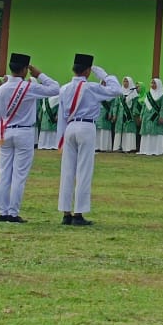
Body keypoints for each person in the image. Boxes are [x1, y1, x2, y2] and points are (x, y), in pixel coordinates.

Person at [0, 53, 61, 223]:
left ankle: (2, 212)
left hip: (5, 131)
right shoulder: (29, 87)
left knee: (4, 174)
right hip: (24, 132)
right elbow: (55, 88)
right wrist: (38, 74)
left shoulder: (1, 89)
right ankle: (13, 213)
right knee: (19, 175)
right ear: (24, 70)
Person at [56, 53, 122, 226]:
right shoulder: (91, 87)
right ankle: (78, 213)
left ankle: (65, 213)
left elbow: (61, 115)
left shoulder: (64, 89)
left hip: (69, 128)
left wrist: (60, 139)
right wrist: (105, 76)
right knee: (84, 170)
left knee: (67, 171)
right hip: (86, 127)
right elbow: (116, 90)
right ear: (87, 71)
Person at [138, 78, 163, 156]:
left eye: (154, 83)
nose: (152, 85)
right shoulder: (148, 94)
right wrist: (141, 115)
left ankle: (155, 150)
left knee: (155, 132)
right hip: (146, 116)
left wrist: (161, 116)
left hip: (155, 116)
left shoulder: (162, 95)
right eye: (151, 83)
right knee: (146, 132)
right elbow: (144, 105)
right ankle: (145, 150)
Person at [114, 77, 139, 153]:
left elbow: (135, 105)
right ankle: (117, 147)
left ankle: (128, 147)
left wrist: (134, 114)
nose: (125, 83)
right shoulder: (119, 92)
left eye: (127, 81)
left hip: (129, 115)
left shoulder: (134, 94)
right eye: (124, 81)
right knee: (119, 130)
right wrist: (114, 114)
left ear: (130, 83)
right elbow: (116, 104)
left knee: (128, 130)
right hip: (120, 115)